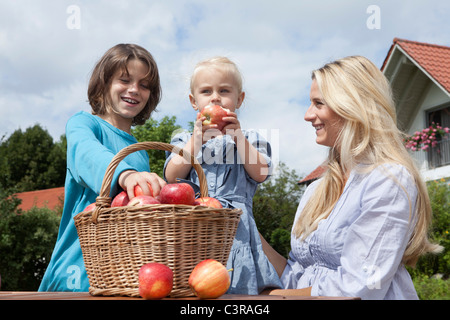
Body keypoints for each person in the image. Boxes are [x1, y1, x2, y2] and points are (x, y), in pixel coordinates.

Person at [262, 55, 442, 299]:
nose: (307, 115)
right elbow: (297, 276)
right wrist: (246, 228)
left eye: (318, 103)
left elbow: (358, 286)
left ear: (352, 106)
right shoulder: (316, 190)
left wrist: (274, 298)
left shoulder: (389, 180)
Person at [39, 44, 166, 291]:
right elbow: (88, 154)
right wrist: (126, 175)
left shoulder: (140, 152)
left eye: (144, 85)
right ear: (105, 83)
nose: (134, 90)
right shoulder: (84, 124)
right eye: (125, 80)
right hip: (76, 271)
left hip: (121, 275)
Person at [164, 57, 282, 294]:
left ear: (239, 99)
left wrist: (238, 137)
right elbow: (171, 176)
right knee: (195, 285)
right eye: (206, 91)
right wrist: (197, 138)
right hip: (196, 227)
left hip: (236, 230)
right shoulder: (185, 139)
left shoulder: (249, 138)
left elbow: (260, 173)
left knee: (237, 287)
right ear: (194, 101)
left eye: (224, 91)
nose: (215, 97)